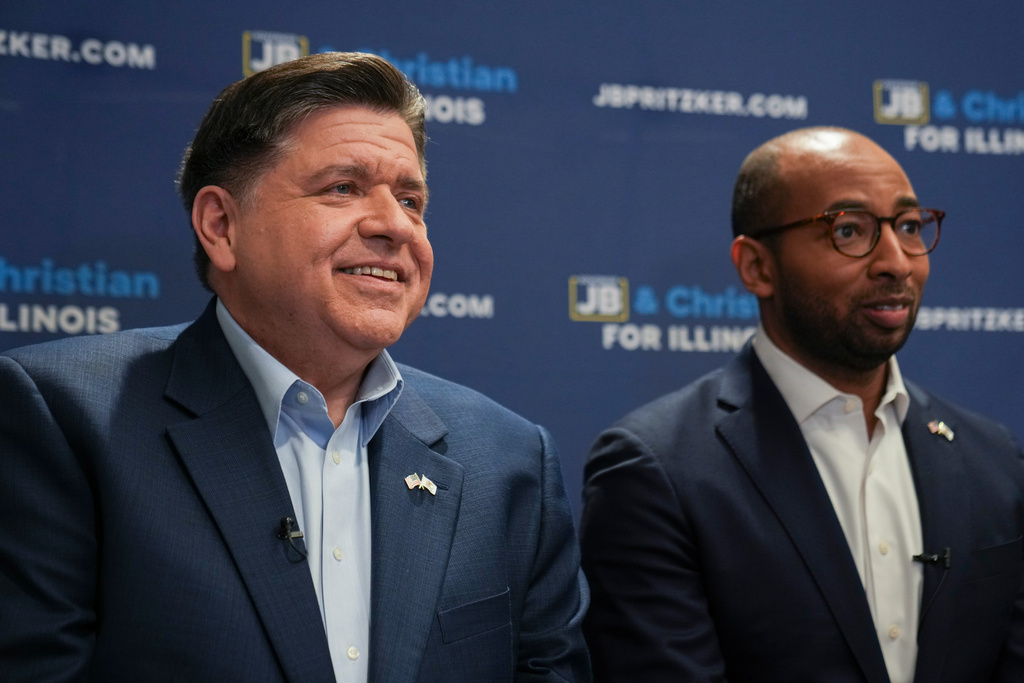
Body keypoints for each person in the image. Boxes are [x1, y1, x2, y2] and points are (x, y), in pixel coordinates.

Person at [0, 52, 590, 682]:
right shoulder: (64, 418)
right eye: (343, 188)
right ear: (222, 226)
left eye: (411, 199)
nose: (395, 225)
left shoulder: (510, 461)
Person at [579, 126, 1024, 682]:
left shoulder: (994, 458)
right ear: (757, 267)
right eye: (849, 230)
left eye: (909, 226)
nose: (897, 262)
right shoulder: (655, 471)